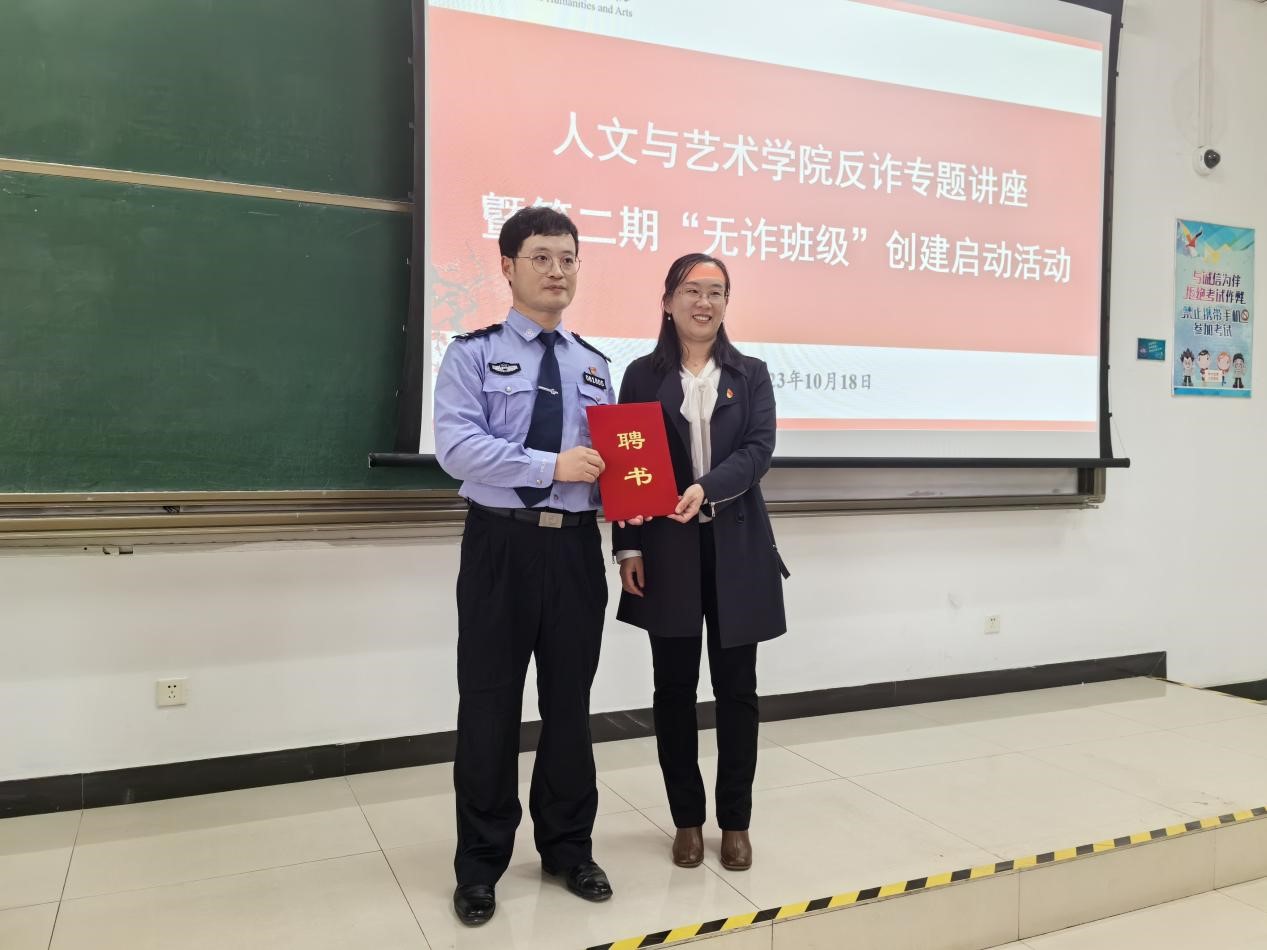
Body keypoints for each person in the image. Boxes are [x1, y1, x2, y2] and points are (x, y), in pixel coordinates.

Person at [433, 206, 615, 926]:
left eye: (567, 258)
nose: (556, 271)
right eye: (541, 257)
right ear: (507, 267)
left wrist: (637, 487)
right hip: (499, 546)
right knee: (488, 706)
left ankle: (569, 849)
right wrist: (550, 465)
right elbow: (457, 448)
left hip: (574, 549)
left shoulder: (595, 366)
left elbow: (612, 464)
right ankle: (480, 865)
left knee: (570, 706)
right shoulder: (472, 355)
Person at [612, 252, 789, 872]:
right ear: (668, 301)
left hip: (738, 549)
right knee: (673, 690)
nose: (704, 302)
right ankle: (686, 820)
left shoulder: (751, 373)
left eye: (717, 291)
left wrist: (706, 488)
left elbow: (758, 451)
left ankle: (735, 822)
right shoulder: (641, 375)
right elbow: (625, 464)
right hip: (665, 551)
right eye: (691, 290)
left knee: (738, 691)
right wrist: (628, 547)